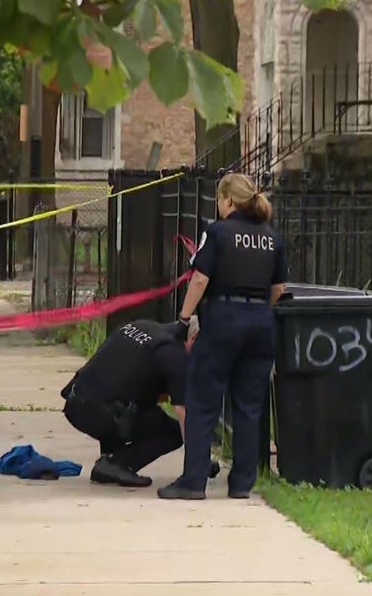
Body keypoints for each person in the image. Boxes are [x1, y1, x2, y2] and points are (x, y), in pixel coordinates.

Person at [157, 172, 287, 501]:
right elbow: (279, 289)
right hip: (260, 323)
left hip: (223, 321)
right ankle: (242, 483)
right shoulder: (272, 237)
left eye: (219, 199)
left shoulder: (216, 232)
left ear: (228, 200)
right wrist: (257, 310)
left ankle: (194, 482)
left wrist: (185, 318)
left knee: (202, 401)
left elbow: (200, 279)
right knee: (248, 405)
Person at [60, 317, 221, 488]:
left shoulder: (142, 326)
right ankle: (117, 464)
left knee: (138, 404)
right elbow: (184, 415)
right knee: (172, 433)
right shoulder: (174, 355)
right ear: (194, 338)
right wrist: (198, 462)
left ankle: (111, 458)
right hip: (99, 413)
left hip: (76, 401)